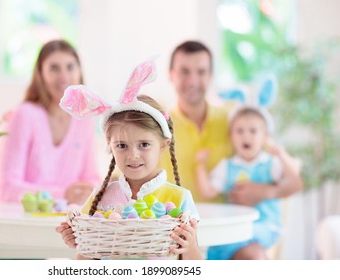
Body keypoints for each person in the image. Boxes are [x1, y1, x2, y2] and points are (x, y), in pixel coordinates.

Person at [0, 39, 100, 260]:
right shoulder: (25, 114)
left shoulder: (85, 120)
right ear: (40, 74)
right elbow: (8, 188)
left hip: (40, 228)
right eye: (54, 68)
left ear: (80, 71)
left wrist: (91, 193)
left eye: (70, 66)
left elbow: (90, 179)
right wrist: (65, 193)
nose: (64, 76)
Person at [56, 59, 203, 260]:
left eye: (144, 144)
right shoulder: (100, 198)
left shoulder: (179, 199)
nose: (133, 155)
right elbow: (84, 264)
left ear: (163, 144)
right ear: (110, 145)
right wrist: (80, 241)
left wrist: (190, 245)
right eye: (122, 146)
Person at [160, 40, 302, 206]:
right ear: (171, 74)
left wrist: (266, 191)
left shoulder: (236, 121)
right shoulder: (158, 125)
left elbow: (295, 183)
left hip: (229, 225)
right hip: (174, 227)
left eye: (201, 72)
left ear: (211, 76)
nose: (192, 81)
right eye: (184, 72)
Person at [196, 107, 303, 259]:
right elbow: (207, 192)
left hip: (265, 226)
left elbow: (294, 180)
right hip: (236, 227)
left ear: (265, 137)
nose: (246, 136)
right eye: (239, 131)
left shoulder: (270, 163)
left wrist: (281, 155)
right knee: (220, 242)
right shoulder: (227, 166)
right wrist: (200, 166)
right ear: (230, 136)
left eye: (253, 131)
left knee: (230, 242)